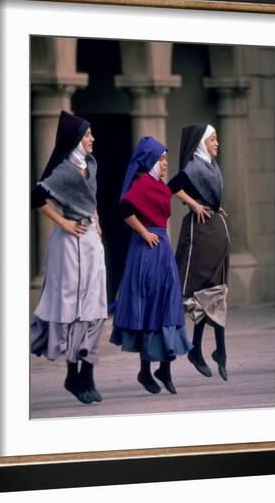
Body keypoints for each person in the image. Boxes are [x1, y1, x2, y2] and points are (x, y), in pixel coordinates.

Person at [30, 110, 107, 404]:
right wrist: (63, 223)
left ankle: (87, 371)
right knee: (74, 308)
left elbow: (92, 198)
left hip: (91, 242)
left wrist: (96, 217)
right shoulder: (63, 170)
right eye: (88, 135)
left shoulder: (91, 165)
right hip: (70, 243)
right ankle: (73, 374)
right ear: (76, 139)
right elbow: (36, 198)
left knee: (96, 306)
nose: (92, 139)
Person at [110, 137, 193, 395]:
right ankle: (145, 370)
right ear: (150, 161)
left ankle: (164, 370)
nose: (166, 163)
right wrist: (144, 233)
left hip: (163, 250)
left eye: (166, 158)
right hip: (146, 253)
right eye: (162, 159)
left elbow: (175, 188)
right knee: (148, 307)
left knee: (168, 305)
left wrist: (195, 202)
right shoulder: (142, 184)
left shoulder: (157, 184)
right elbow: (124, 209)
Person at [168, 123, 230, 381]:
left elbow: (211, 193)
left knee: (217, 290)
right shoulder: (193, 167)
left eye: (216, 139)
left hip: (216, 231)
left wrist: (215, 207)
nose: (217, 143)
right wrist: (195, 204)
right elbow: (172, 186)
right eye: (213, 139)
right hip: (201, 234)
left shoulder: (211, 166)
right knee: (206, 290)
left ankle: (215, 351)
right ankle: (211, 351)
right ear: (202, 142)